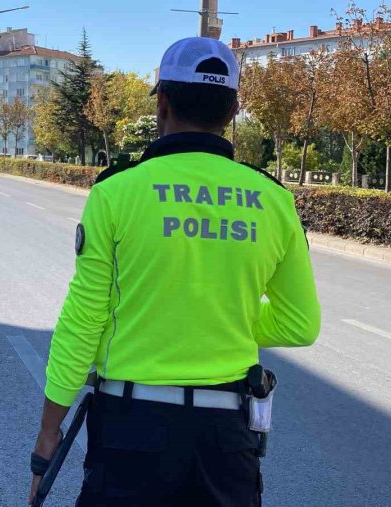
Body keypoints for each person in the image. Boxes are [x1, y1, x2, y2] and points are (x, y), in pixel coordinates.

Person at [28, 37, 321, 506]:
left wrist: (48, 437)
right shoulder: (275, 200)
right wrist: (219, 315)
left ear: (162, 103)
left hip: (131, 433)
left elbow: (83, 323)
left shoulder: (116, 192)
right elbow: (299, 325)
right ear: (233, 111)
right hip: (226, 440)